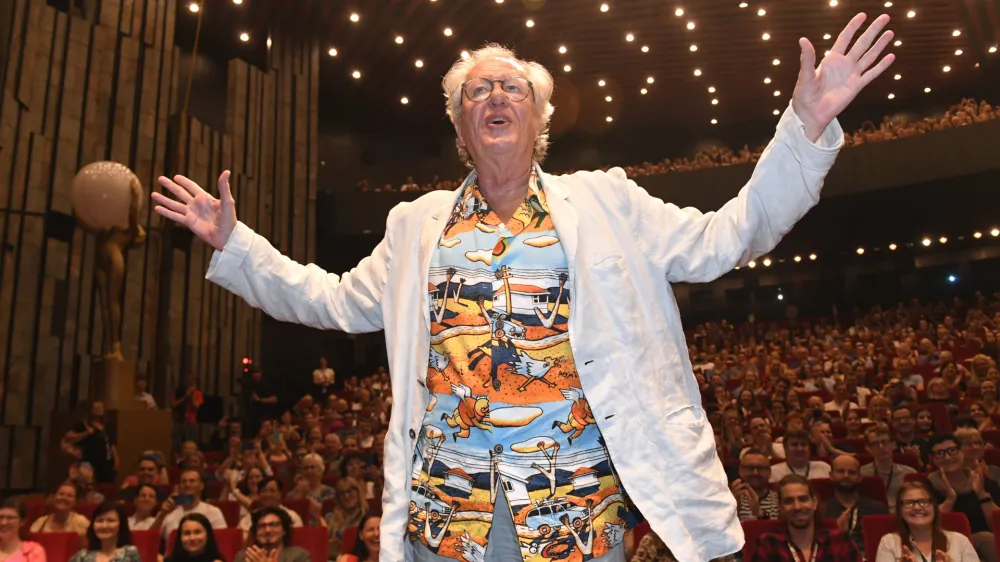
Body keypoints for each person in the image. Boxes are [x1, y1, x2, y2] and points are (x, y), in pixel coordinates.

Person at [153, 13, 896, 560]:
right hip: (452, 514)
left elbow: (729, 237)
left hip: (572, 506)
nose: (496, 97)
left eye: (512, 88)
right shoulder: (416, 224)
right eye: (478, 92)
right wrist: (237, 245)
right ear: (460, 125)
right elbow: (332, 301)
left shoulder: (607, 200)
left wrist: (802, 129)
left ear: (538, 118)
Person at [750, 474, 861, 561]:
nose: (797, 507)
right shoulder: (768, 543)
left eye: (803, 499)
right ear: (781, 507)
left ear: (814, 503)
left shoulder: (837, 541)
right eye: (789, 501)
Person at [926, 433, 1000, 562]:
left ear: (961, 452)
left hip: (983, 543)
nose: (948, 457)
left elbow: (997, 525)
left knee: (986, 538)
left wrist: (981, 494)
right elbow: (925, 527)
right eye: (940, 453)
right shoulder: (925, 487)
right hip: (941, 543)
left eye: (952, 451)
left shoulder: (984, 482)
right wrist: (949, 500)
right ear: (932, 458)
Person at [875, 481, 979, 562]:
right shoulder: (889, 542)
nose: (917, 507)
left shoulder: (960, 541)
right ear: (900, 511)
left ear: (934, 507)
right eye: (909, 503)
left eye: (923, 502)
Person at [821, 456, 889, 552]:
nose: (846, 476)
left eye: (852, 472)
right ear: (831, 475)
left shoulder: (878, 509)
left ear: (860, 477)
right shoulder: (821, 510)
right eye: (840, 471)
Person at [861, 424, 917, 513]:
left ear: (893, 444)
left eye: (884, 442)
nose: (881, 447)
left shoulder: (909, 473)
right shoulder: (861, 474)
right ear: (868, 448)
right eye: (875, 444)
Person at [62, 401, 118, 484]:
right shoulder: (84, 424)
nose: (99, 410)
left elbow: (112, 444)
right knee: (88, 483)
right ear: (92, 410)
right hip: (89, 461)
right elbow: (68, 436)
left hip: (106, 462)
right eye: (96, 408)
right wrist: (86, 433)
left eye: (101, 407)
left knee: (106, 484)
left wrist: (116, 459)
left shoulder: (107, 426)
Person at [70, 502, 140, 562]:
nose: (104, 526)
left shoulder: (130, 554)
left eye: (110, 520)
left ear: (121, 524)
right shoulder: (82, 557)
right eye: (99, 521)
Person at [234, 508, 309, 562]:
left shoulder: (299, 555)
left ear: (284, 530)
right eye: (262, 526)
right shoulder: (243, 557)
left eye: (274, 524)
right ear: (255, 532)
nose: (267, 530)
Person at [237, 478, 303, 539]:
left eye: (272, 491)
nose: (267, 494)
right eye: (263, 491)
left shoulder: (292, 517)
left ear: (280, 494)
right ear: (259, 495)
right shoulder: (248, 520)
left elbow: (297, 541)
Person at [730, 448, 780, 520]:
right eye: (750, 468)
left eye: (761, 468)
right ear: (740, 471)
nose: (755, 473)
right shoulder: (729, 498)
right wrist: (732, 508)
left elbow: (777, 529)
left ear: (769, 472)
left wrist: (759, 513)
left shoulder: (779, 499)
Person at [0, 497, 46, 562]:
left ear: (22, 521)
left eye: (10, 518)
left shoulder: (33, 551)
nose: (3, 523)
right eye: (0, 517)